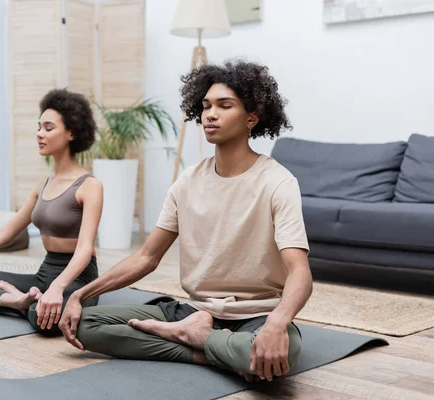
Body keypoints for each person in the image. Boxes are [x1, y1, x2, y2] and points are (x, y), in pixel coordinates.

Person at [58, 60, 313, 382]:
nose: (210, 114)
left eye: (224, 105)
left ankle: (192, 339)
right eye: (206, 106)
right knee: (83, 325)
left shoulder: (278, 182)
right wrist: (80, 295)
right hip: (194, 311)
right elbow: (146, 257)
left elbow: (299, 272)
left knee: (281, 353)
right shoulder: (188, 181)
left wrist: (277, 324)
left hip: (256, 315)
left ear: (252, 117)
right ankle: (206, 348)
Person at [0, 88, 104, 334]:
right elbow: (4, 234)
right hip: (44, 275)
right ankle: (17, 300)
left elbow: (86, 248)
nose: (39, 134)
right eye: (39, 127)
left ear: (71, 133)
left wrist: (57, 288)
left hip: (77, 280)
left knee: (46, 321)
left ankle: (23, 302)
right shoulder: (43, 185)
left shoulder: (90, 186)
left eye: (48, 128)